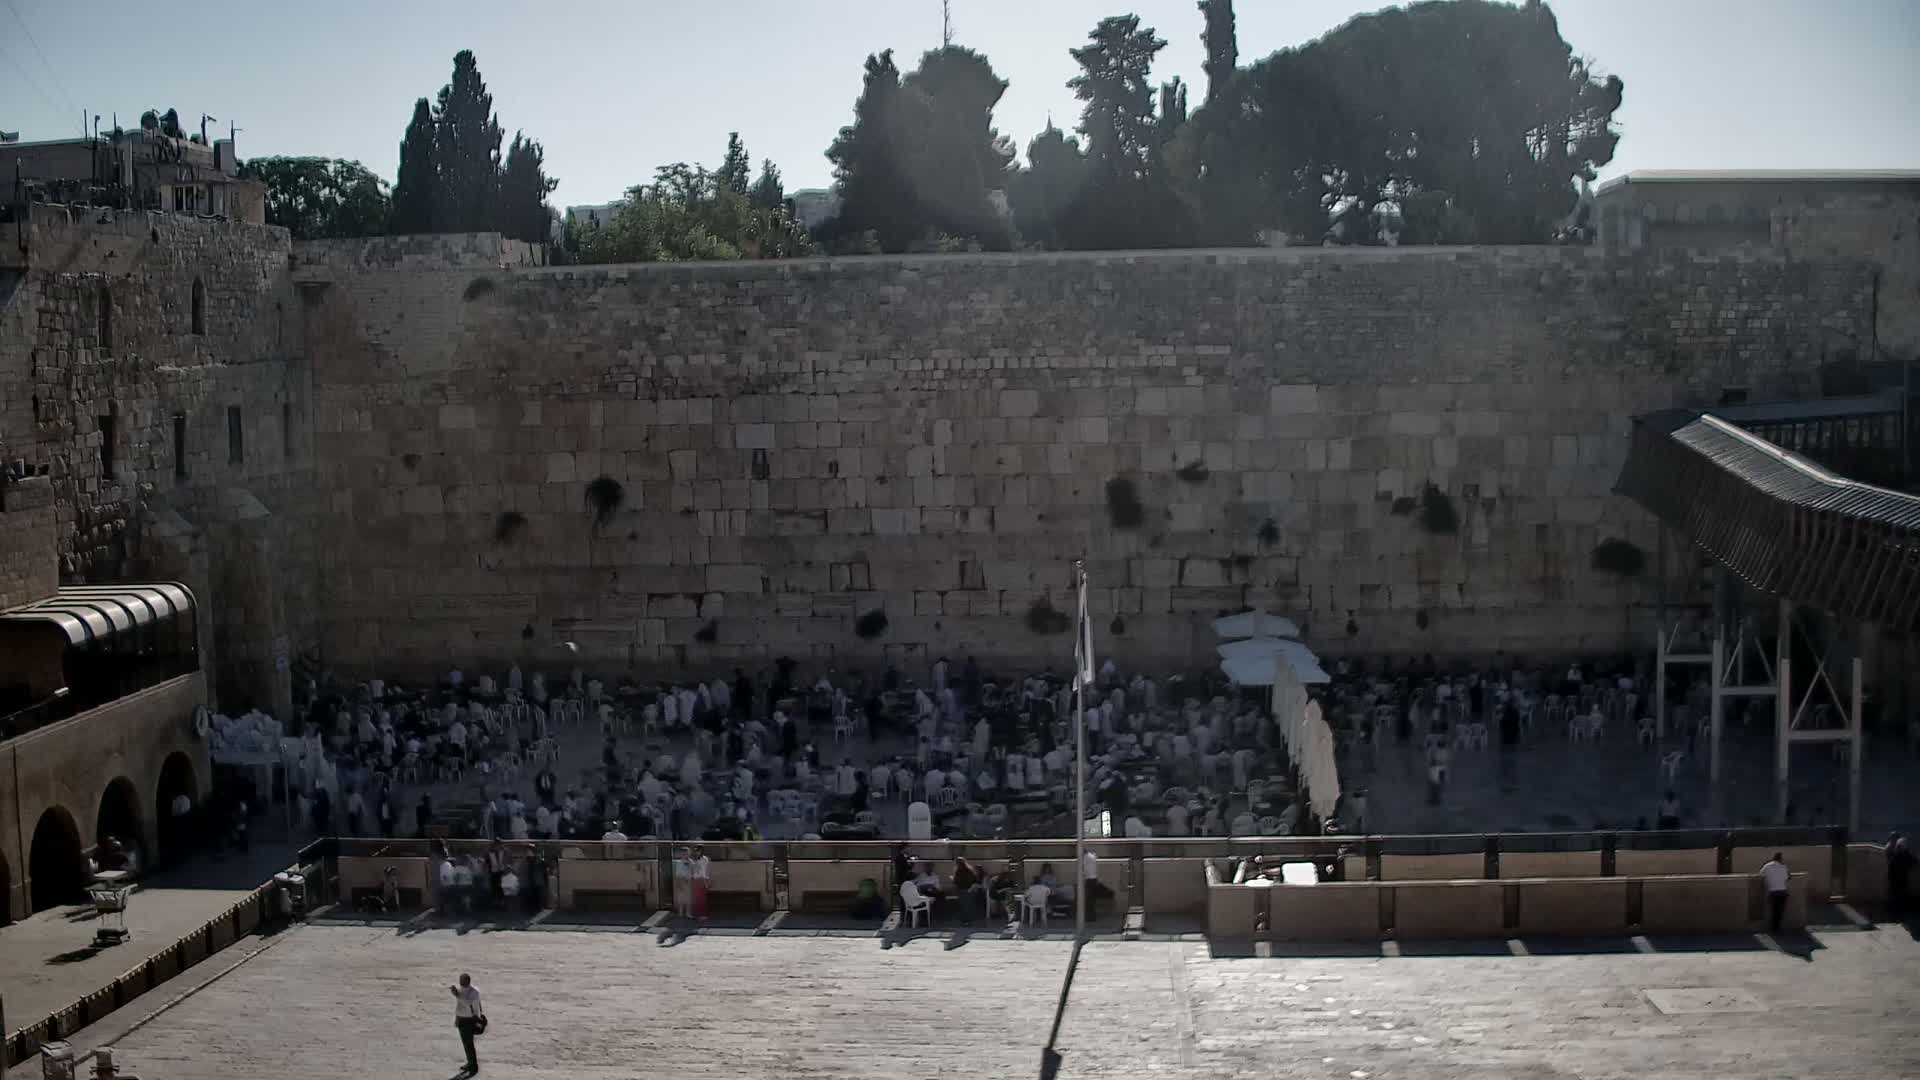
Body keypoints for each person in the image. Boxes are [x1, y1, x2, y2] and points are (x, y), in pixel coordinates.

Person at [449, 973, 485, 1074]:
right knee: (466, 1044)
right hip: (462, 1020)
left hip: (469, 1021)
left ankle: (473, 1065)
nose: (460, 982)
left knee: (469, 1045)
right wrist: (457, 1018)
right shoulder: (461, 990)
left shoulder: (474, 992)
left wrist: (457, 995)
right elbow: (459, 1006)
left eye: (461, 980)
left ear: (467, 981)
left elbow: (468, 1003)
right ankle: (470, 1063)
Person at [1887, 834, 1916, 921]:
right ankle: (1898, 915)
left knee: (1895, 896)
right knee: (1900, 897)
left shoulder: (1895, 854)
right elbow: (1913, 862)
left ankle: (1895, 915)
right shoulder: (1903, 855)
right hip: (1901, 879)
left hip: (1894, 879)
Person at [1760, 852, 1791, 932]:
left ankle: (1774, 927)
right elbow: (1788, 877)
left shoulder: (1767, 866)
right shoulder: (1783, 866)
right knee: (1780, 910)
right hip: (1783, 892)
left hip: (1773, 891)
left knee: (1774, 910)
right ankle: (1777, 927)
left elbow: (1761, 874)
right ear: (1780, 858)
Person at [1081, 849, 1115, 920]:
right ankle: (1092, 916)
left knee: (1089, 900)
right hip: (1094, 878)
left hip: (1089, 879)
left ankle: (1090, 917)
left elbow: (1083, 869)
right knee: (1091, 899)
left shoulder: (1085, 857)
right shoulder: (1093, 856)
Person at [689, 845, 711, 919]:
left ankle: (702, 914)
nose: (697, 852)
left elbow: (705, 870)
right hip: (695, 879)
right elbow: (692, 869)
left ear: (701, 851)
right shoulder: (693, 859)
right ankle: (694, 914)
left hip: (702, 878)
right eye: (696, 851)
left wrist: (706, 880)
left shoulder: (705, 859)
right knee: (695, 898)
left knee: (702, 898)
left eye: (698, 850)